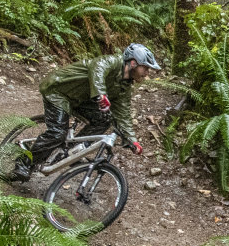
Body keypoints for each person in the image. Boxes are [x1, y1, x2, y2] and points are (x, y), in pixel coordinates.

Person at [15, 43, 160, 179]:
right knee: (58, 133)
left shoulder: (125, 86)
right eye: (145, 68)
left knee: (104, 119)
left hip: (80, 99)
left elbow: (123, 114)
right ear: (133, 63)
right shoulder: (113, 61)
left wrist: (132, 140)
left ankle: (70, 152)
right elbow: (98, 68)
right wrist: (101, 94)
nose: (147, 73)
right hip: (59, 91)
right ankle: (24, 163)